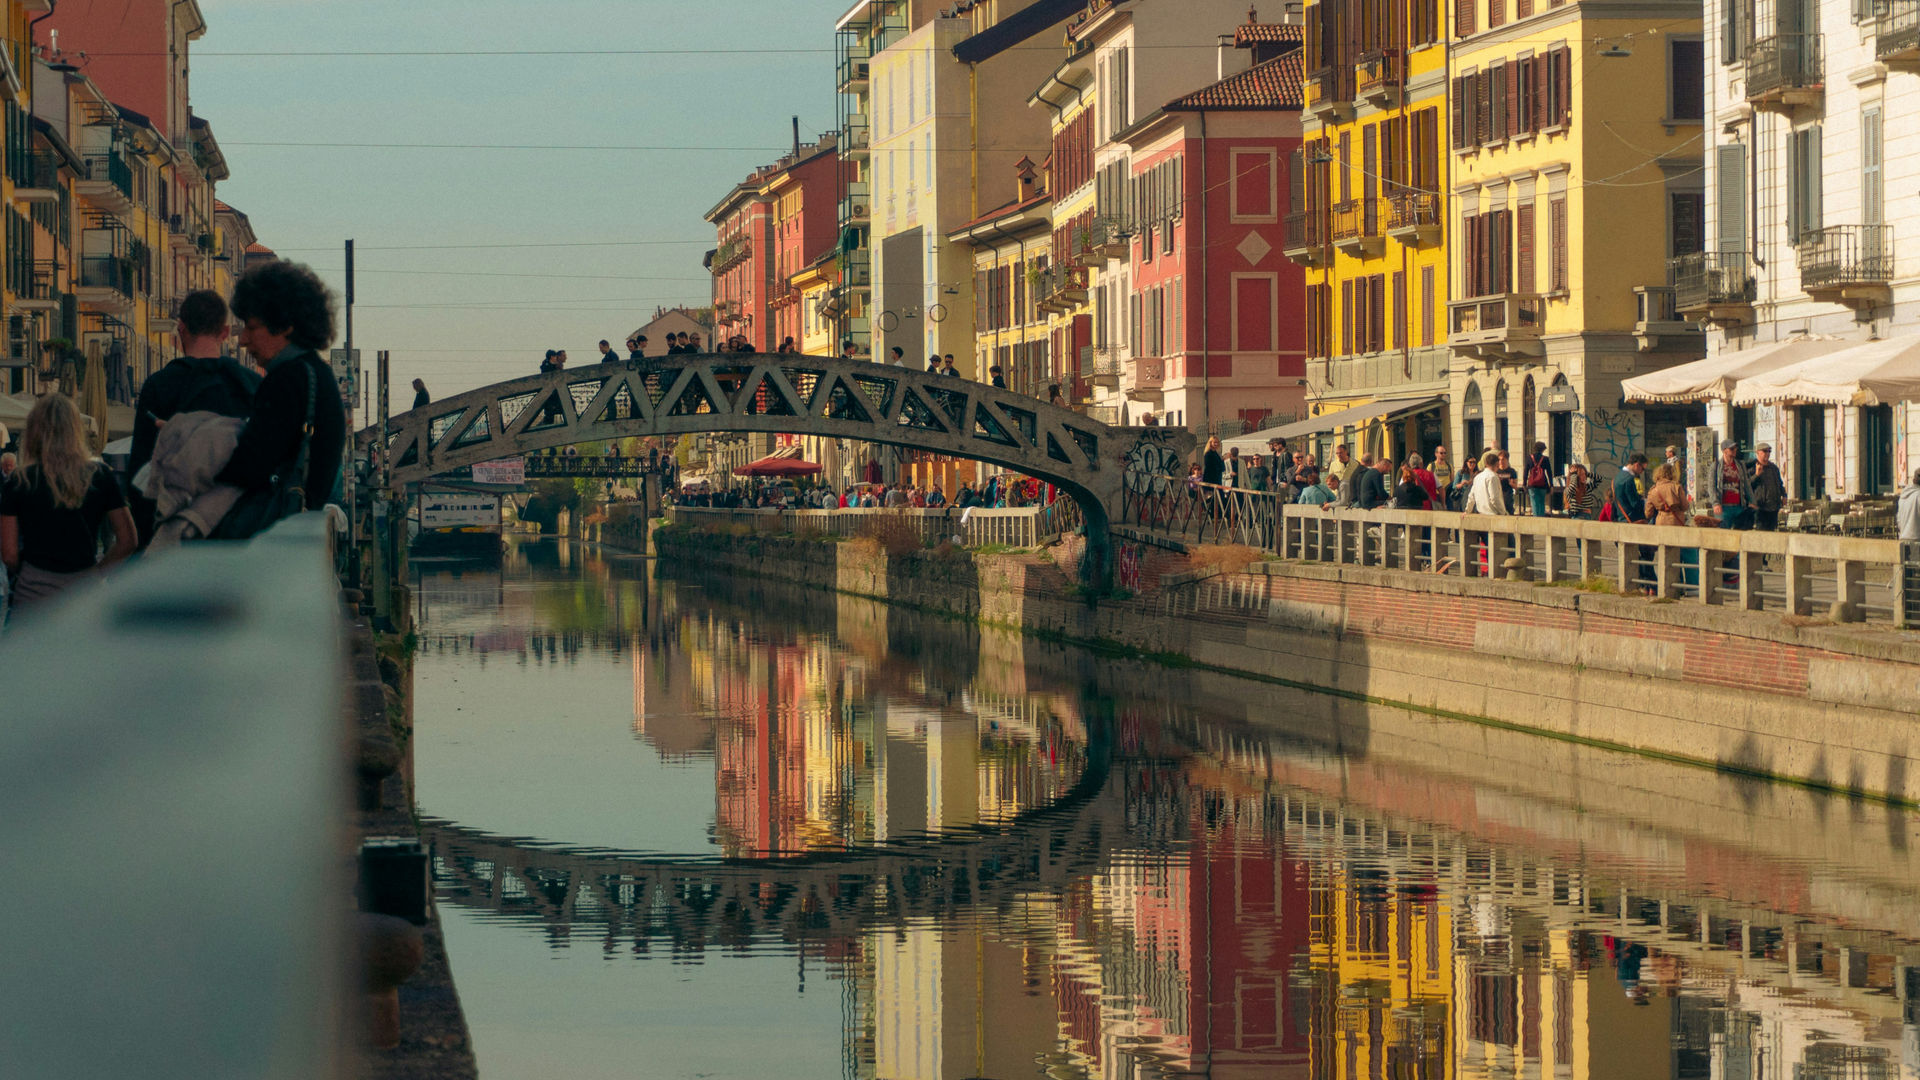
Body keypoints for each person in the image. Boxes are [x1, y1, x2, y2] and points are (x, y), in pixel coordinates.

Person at [127, 291, 264, 547]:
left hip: (175, 531)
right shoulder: (252, 386)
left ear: (181, 329)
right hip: (236, 533)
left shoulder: (159, 386)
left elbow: (140, 467)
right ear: (224, 332)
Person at [217, 261, 349, 519]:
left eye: (252, 327)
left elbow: (250, 467)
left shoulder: (288, 380)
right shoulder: (317, 374)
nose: (243, 340)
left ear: (285, 325)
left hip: (271, 525)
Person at [0, 393, 136, 611]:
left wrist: (26, 572)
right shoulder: (100, 475)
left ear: (35, 431)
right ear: (75, 430)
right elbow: (128, 540)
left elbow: (8, 552)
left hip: (33, 592)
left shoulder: (19, 480)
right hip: (84, 590)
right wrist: (97, 573)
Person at [1713, 439, 1755, 530]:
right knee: (1723, 534)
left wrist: (1752, 501)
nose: (1735, 450)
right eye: (1732, 449)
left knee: (1740, 533)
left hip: (1739, 507)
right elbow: (1711, 486)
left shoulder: (1740, 465)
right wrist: (1715, 503)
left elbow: (1746, 484)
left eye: (1735, 448)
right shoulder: (1716, 466)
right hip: (1724, 508)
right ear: (1724, 451)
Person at [1751, 443, 1786, 531]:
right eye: (1765, 451)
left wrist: (1784, 495)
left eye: (1769, 451)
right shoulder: (1752, 467)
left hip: (1774, 507)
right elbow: (1748, 485)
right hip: (1760, 507)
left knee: (1771, 532)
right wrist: (1756, 475)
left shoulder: (1773, 468)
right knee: (1761, 532)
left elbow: (1779, 483)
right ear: (1758, 452)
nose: (1767, 453)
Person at [1465, 451, 1509, 515]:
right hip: (1493, 514)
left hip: (1481, 513)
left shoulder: (1477, 477)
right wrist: (1503, 512)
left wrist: (1467, 511)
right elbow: (1494, 498)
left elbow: (1471, 497)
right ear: (1497, 464)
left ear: (1486, 464)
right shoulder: (1493, 477)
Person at [1647, 462, 1690, 526]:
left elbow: (1648, 513)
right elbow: (1685, 506)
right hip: (1676, 521)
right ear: (1672, 474)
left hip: (1661, 521)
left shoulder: (1653, 490)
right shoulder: (1676, 487)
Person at [1613, 453, 1649, 523]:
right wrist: (1646, 502)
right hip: (1631, 518)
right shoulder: (1629, 479)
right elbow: (1634, 503)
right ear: (1637, 465)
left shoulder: (1618, 477)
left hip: (1621, 517)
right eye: (1643, 469)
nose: (1642, 472)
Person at [1524, 442, 1552, 516]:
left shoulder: (1529, 458)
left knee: (1534, 503)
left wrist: (1524, 484)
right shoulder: (1545, 459)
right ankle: (1541, 517)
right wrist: (1551, 485)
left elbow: (1526, 471)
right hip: (1543, 484)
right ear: (1542, 449)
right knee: (1542, 502)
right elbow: (1549, 472)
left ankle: (1536, 518)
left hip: (1532, 485)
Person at [1899, 468, 1920, 541]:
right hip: (1917, 539)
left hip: (1903, 538)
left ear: (1913, 480)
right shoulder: (1918, 495)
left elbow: (1898, 519)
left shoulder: (1903, 496)